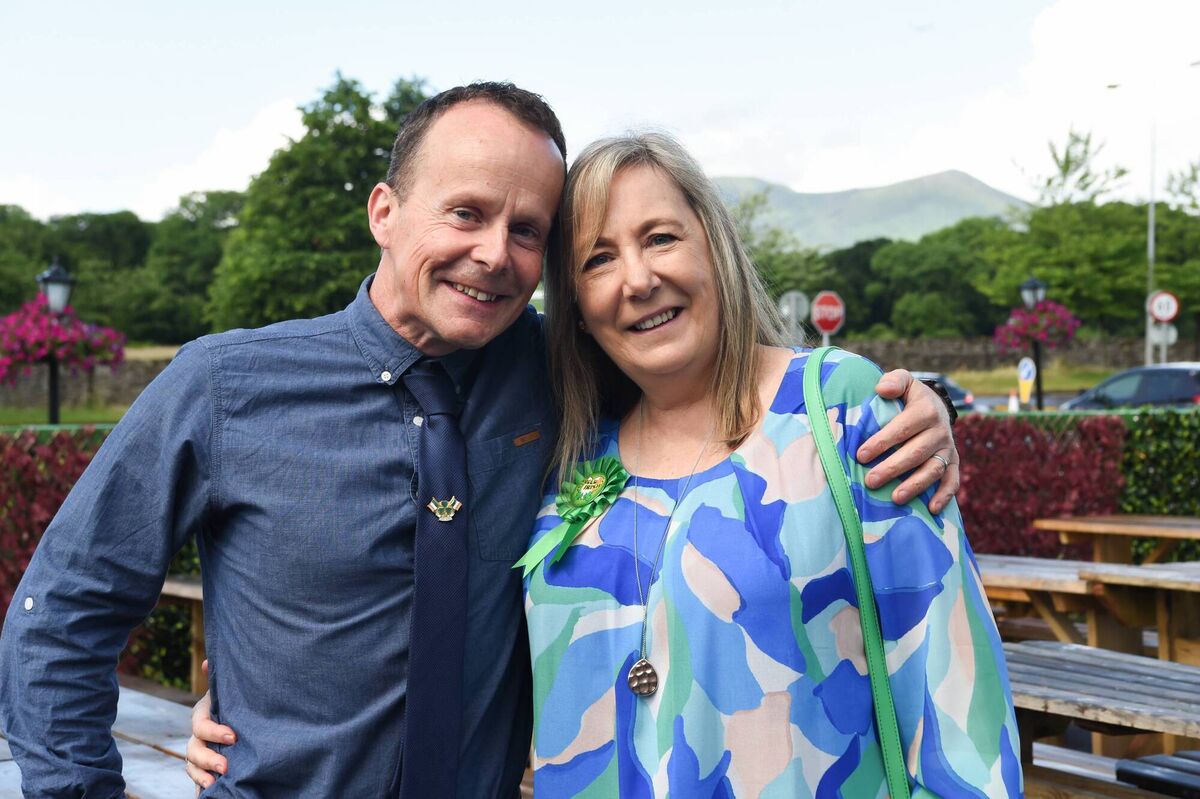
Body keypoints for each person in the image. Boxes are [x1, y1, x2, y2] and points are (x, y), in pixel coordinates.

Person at [0, 82, 957, 797]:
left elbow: (712, 370)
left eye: (529, 230)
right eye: (466, 213)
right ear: (385, 212)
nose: (495, 253)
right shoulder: (224, 386)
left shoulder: (567, 371)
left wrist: (910, 406)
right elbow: (60, 612)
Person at [518, 133, 1020, 796]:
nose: (638, 280)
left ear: (716, 248)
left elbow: (957, 705)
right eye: (598, 259)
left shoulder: (839, 411)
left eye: (661, 238)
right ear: (575, 306)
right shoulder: (566, 456)